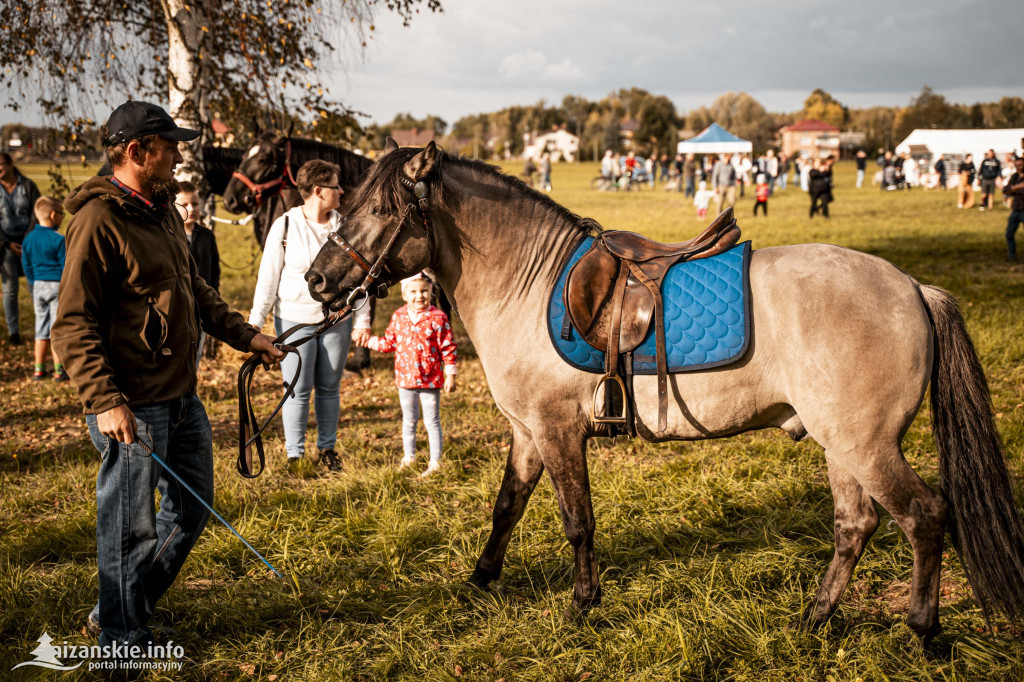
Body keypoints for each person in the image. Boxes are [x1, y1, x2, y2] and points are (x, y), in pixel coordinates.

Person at [51, 100, 285, 650]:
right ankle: (120, 637)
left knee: (193, 509)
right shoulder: (97, 221)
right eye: (170, 146)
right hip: (131, 404)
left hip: (181, 398)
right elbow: (71, 323)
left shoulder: (159, 210)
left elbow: (193, 290)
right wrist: (106, 401)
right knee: (131, 530)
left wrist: (247, 334)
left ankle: (123, 607)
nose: (178, 155)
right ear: (137, 152)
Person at [249, 159, 371, 475]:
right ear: (318, 191)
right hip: (293, 321)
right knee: (296, 389)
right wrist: (254, 323)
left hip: (336, 321)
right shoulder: (285, 226)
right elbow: (268, 278)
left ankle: (327, 450)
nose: (342, 191)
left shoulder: (345, 226)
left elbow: (362, 277)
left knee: (329, 387)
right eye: (335, 185)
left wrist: (363, 320)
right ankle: (295, 455)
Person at [362, 273, 456, 478]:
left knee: (432, 421)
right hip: (405, 380)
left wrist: (450, 374)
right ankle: (409, 457)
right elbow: (389, 343)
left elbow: (447, 347)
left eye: (423, 290)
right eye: (413, 291)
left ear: (432, 291)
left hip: (431, 380)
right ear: (404, 295)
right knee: (409, 420)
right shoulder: (399, 316)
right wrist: (368, 341)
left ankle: (435, 461)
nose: (419, 296)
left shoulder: (438, 318)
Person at [21, 196, 67, 381]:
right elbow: (66, 266)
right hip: (57, 286)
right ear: (53, 214)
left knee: (41, 328)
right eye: (62, 214)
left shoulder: (29, 238)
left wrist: (33, 282)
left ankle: (38, 369)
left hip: (38, 285)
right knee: (56, 328)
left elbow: (26, 264)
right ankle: (58, 370)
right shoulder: (59, 239)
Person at [175, 181, 220, 364]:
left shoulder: (206, 236)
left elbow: (215, 271)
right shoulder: (171, 236)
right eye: (185, 205)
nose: (191, 208)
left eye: (194, 203)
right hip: (177, 312)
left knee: (196, 356)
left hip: (201, 309)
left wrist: (214, 300)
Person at [0, 152, 42, 345]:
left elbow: (37, 212)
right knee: (9, 290)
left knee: (34, 286)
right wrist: (7, 243)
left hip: (28, 244)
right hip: (5, 246)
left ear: (9, 164)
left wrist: (28, 240)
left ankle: (41, 330)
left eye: (0, 164)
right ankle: (14, 333)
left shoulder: (27, 186)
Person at [1004, 157, 1024, 261]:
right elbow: (1005, 189)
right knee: (1009, 234)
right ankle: (1012, 255)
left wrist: (1013, 189)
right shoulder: (1014, 177)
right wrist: (1017, 187)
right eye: (1016, 166)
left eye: (1020, 165)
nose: (1018, 168)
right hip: (1016, 209)